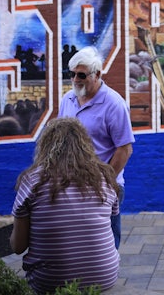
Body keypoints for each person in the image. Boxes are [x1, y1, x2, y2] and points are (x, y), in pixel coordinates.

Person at [10, 117, 120, 294]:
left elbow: (18, 247)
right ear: (86, 146)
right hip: (104, 277)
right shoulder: (104, 178)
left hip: (49, 282)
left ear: (45, 146)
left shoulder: (33, 181)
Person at [58, 46, 134, 249]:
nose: (75, 79)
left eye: (81, 75)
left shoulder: (114, 104)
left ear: (97, 74)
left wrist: (104, 181)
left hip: (104, 185)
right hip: (71, 185)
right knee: (76, 240)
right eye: (71, 74)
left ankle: (106, 277)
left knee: (105, 241)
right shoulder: (68, 99)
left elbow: (124, 149)